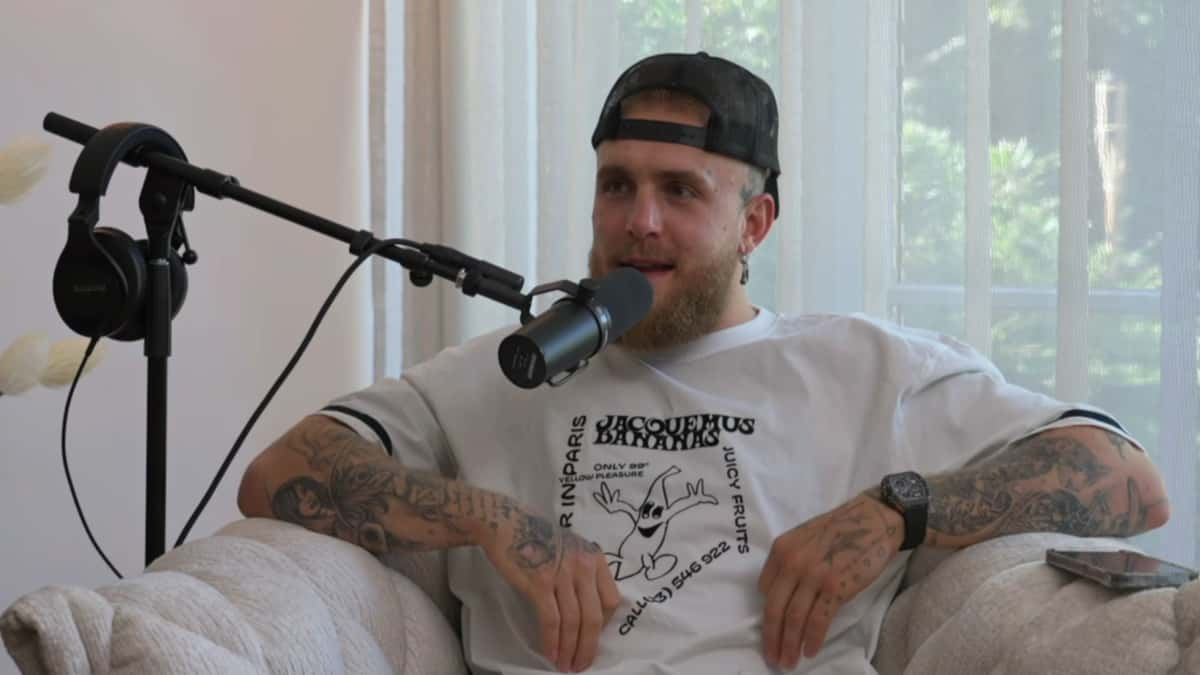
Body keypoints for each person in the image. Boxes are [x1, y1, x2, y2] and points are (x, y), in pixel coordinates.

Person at [238, 52, 1170, 674]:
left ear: (754, 223)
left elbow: (1127, 478)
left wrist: (899, 509)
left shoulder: (866, 366)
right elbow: (281, 472)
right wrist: (487, 518)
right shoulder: (507, 367)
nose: (640, 220)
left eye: (680, 191)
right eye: (618, 186)